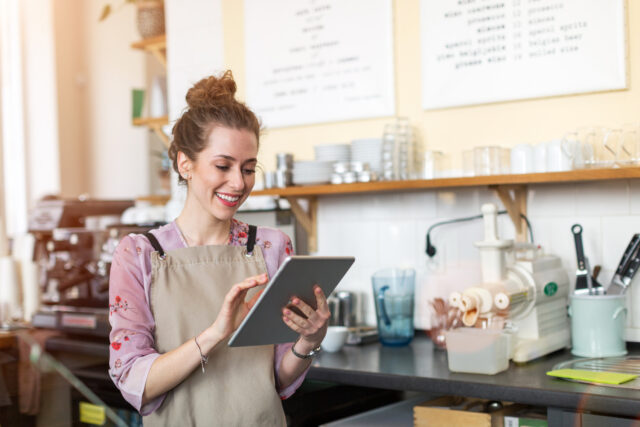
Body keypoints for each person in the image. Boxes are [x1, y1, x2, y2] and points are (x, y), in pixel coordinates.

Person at [108, 70, 330, 426]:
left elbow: (277, 379)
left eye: (248, 168)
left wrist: (310, 340)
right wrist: (215, 334)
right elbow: (136, 382)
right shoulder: (139, 254)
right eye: (223, 166)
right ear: (185, 163)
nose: (238, 183)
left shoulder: (272, 246)